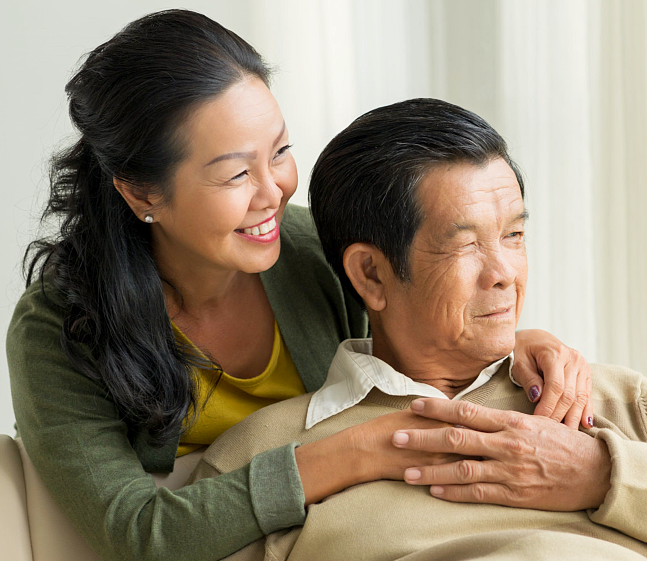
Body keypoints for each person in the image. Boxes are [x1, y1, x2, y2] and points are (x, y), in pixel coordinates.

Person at [7, 9, 594, 561]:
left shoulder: (311, 247)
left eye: (280, 151)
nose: (275, 192)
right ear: (141, 193)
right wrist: (361, 449)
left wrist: (520, 341)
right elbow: (137, 532)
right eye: (237, 173)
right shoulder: (61, 324)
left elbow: (415, 333)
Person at [189, 99, 647, 560]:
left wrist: (605, 474)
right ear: (371, 273)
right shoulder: (263, 458)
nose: (505, 272)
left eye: (514, 235)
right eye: (465, 245)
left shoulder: (618, 400)